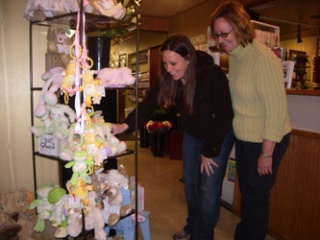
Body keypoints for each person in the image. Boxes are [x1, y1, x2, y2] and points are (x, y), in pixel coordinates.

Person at [111, 34, 234, 240]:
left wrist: (209, 151)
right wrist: (125, 125)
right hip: (194, 133)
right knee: (190, 183)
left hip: (217, 134)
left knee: (208, 189)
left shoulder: (212, 74)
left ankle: (203, 236)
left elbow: (225, 115)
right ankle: (192, 226)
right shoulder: (170, 77)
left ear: (188, 59)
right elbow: (150, 102)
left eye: (173, 63)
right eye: (165, 63)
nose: (169, 68)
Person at [209, 1, 292, 240]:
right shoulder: (236, 55)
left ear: (241, 27)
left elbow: (276, 110)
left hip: (266, 140)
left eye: (225, 33)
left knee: (255, 200)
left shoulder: (263, 58)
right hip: (246, 140)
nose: (221, 40)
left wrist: (266, 154)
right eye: (217, 35)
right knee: (248, 197)